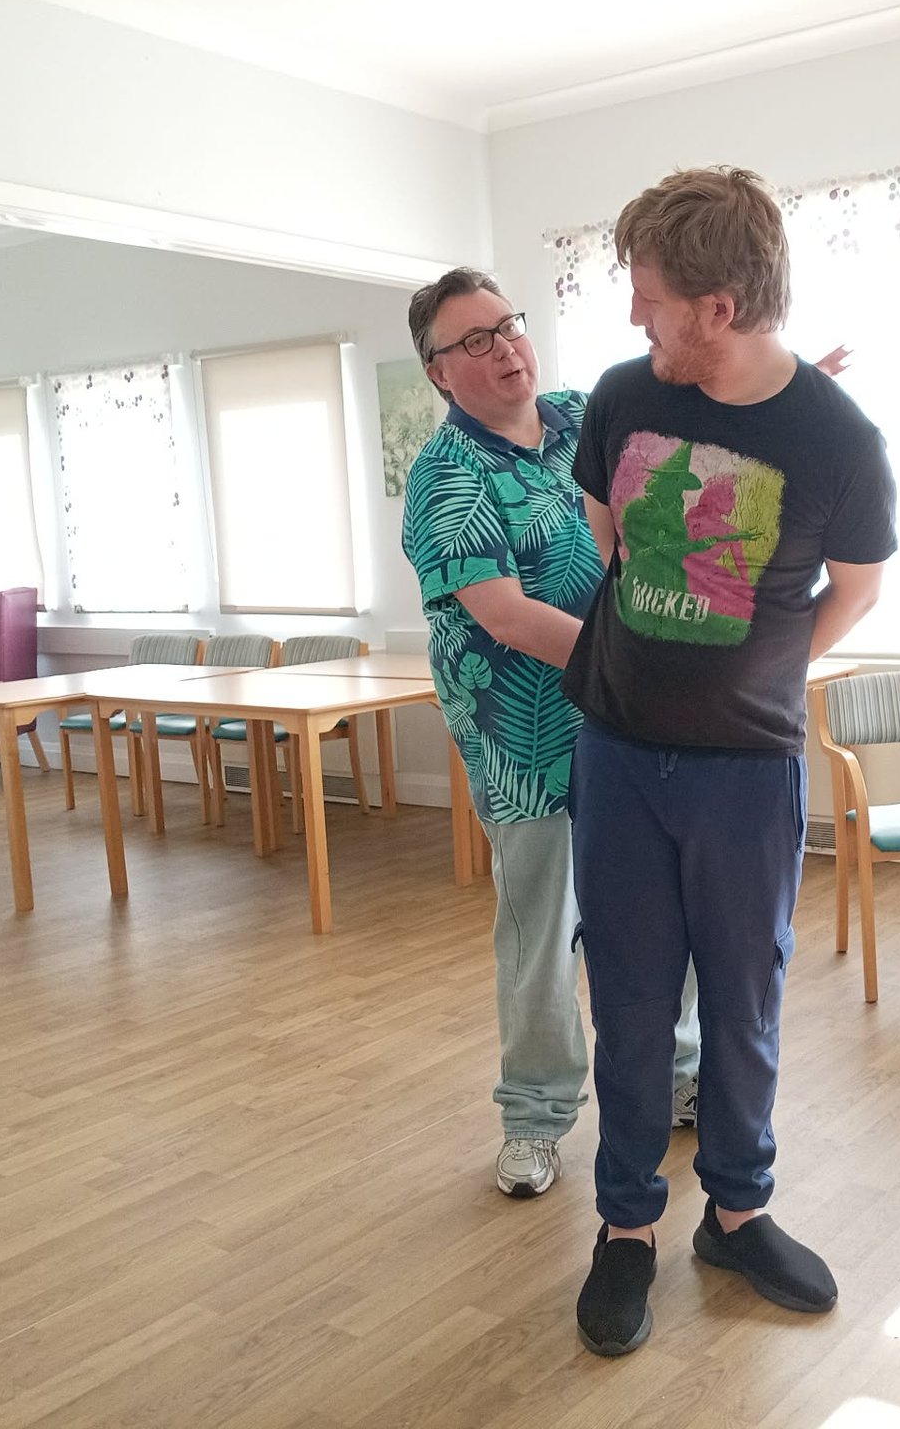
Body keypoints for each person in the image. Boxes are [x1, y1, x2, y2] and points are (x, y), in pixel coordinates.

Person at [562, 167, 897, 1356]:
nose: (632, 318)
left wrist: (764, 666)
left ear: (716, 304)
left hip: (748, 772)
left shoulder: (839, 441)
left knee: (746, 1004)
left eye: (648, 296)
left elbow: (855, 587)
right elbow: (609, 544)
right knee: (635, 1003)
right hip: (614, 755)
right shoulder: (618, 400)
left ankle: (738, 1214)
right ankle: (627, 1230)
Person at [399, 268, 703, 1200]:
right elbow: (507, 616)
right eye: (473, 342)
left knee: (659, 910)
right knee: (545, 929)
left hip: (627, 713)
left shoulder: (579, 420)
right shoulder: (445, 477)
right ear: (440, 373)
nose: (504, 350)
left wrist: (795, 378)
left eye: (508, 326)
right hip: (524, 740)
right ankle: (534, 1117)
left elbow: (692, 411)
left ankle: (679, 1075)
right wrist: (635, 665)